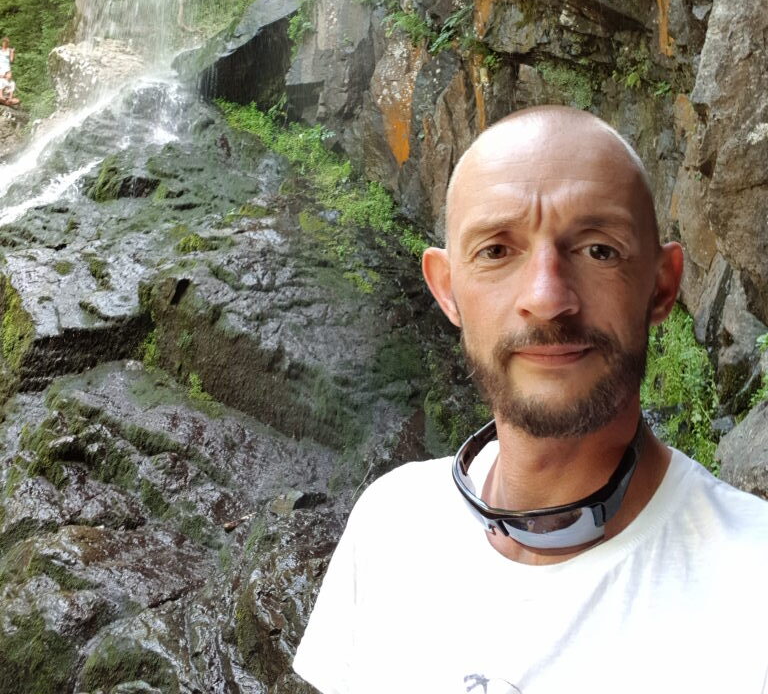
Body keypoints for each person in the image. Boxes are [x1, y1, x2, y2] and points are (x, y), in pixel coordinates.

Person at [293, 106, 768, 694]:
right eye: (496, 251)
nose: (547, 298)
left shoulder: (753, 589)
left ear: (662, 285)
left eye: (599, 250)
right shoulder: (389, 524)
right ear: (447, 290)